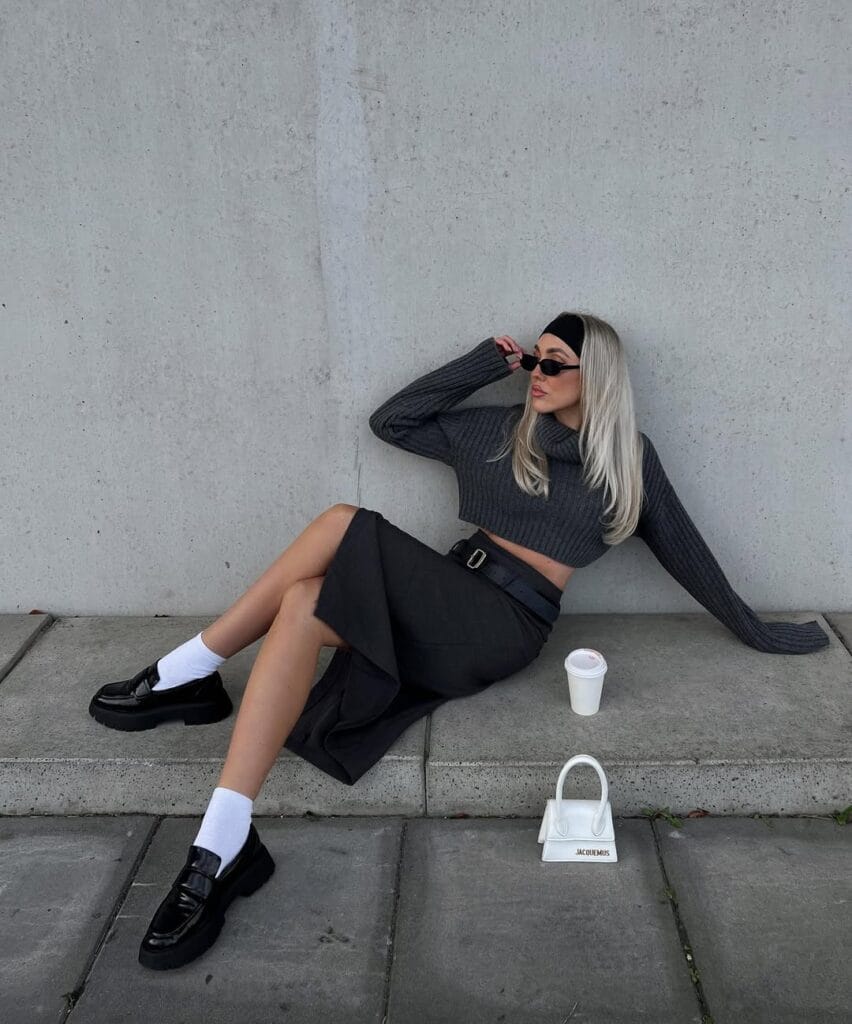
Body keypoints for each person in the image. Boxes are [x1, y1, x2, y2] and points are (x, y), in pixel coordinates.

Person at [87, 310, 829, 970]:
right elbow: (393, 422)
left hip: (504, 624)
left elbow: (687, 553)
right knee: (307, 601)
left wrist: (758, 629)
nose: (538, 374)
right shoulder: (500, 432)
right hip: (449, 590)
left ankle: (190, 669)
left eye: (553, 362)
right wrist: (484, 364)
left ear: (593, 372)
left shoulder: (627, 458)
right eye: (533, 360)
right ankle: (221, 843)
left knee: (343, 523)